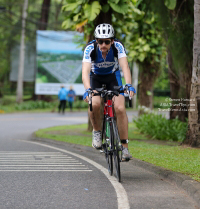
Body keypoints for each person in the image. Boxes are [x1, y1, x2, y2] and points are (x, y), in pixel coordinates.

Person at [82, 23, 136, 161]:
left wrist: (128, 85)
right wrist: (88, 89)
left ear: (112, 41)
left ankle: (124, 147)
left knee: (120, 108)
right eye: (100, 41)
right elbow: (85, 72)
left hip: (113, 77)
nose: (103, 45)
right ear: (96, 40)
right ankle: (97, 132)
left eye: (107, 41)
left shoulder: (118, 46)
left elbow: (125, 67)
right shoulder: (90, 48)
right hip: (95, 78)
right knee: (94, 104)